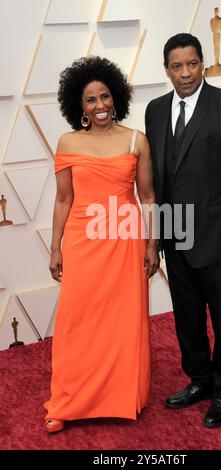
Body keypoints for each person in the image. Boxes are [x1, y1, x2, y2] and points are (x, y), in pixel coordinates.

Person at [145, 33, 221, 428]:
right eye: (177, 66)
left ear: (203, 64)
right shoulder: (155, 111)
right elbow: (157, 180)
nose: (186, 73)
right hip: (176, 237)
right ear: (167, 70)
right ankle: (201, 381)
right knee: (186, 319)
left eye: (192, 64)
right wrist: (156, 236)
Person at [44, 56, 159, 433]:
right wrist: (55, 247)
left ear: (116, 98)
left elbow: (147, 198)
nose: (100, 106)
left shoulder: (135, 140)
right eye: (90, 100)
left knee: (122, 322)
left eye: (105, 97)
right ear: (79, 106)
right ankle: (66, 402)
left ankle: (120, 396)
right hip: (81, 241)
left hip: (125, 241)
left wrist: (152, 245)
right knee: (76, 323)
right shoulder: (68, 141)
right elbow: (63, 200)